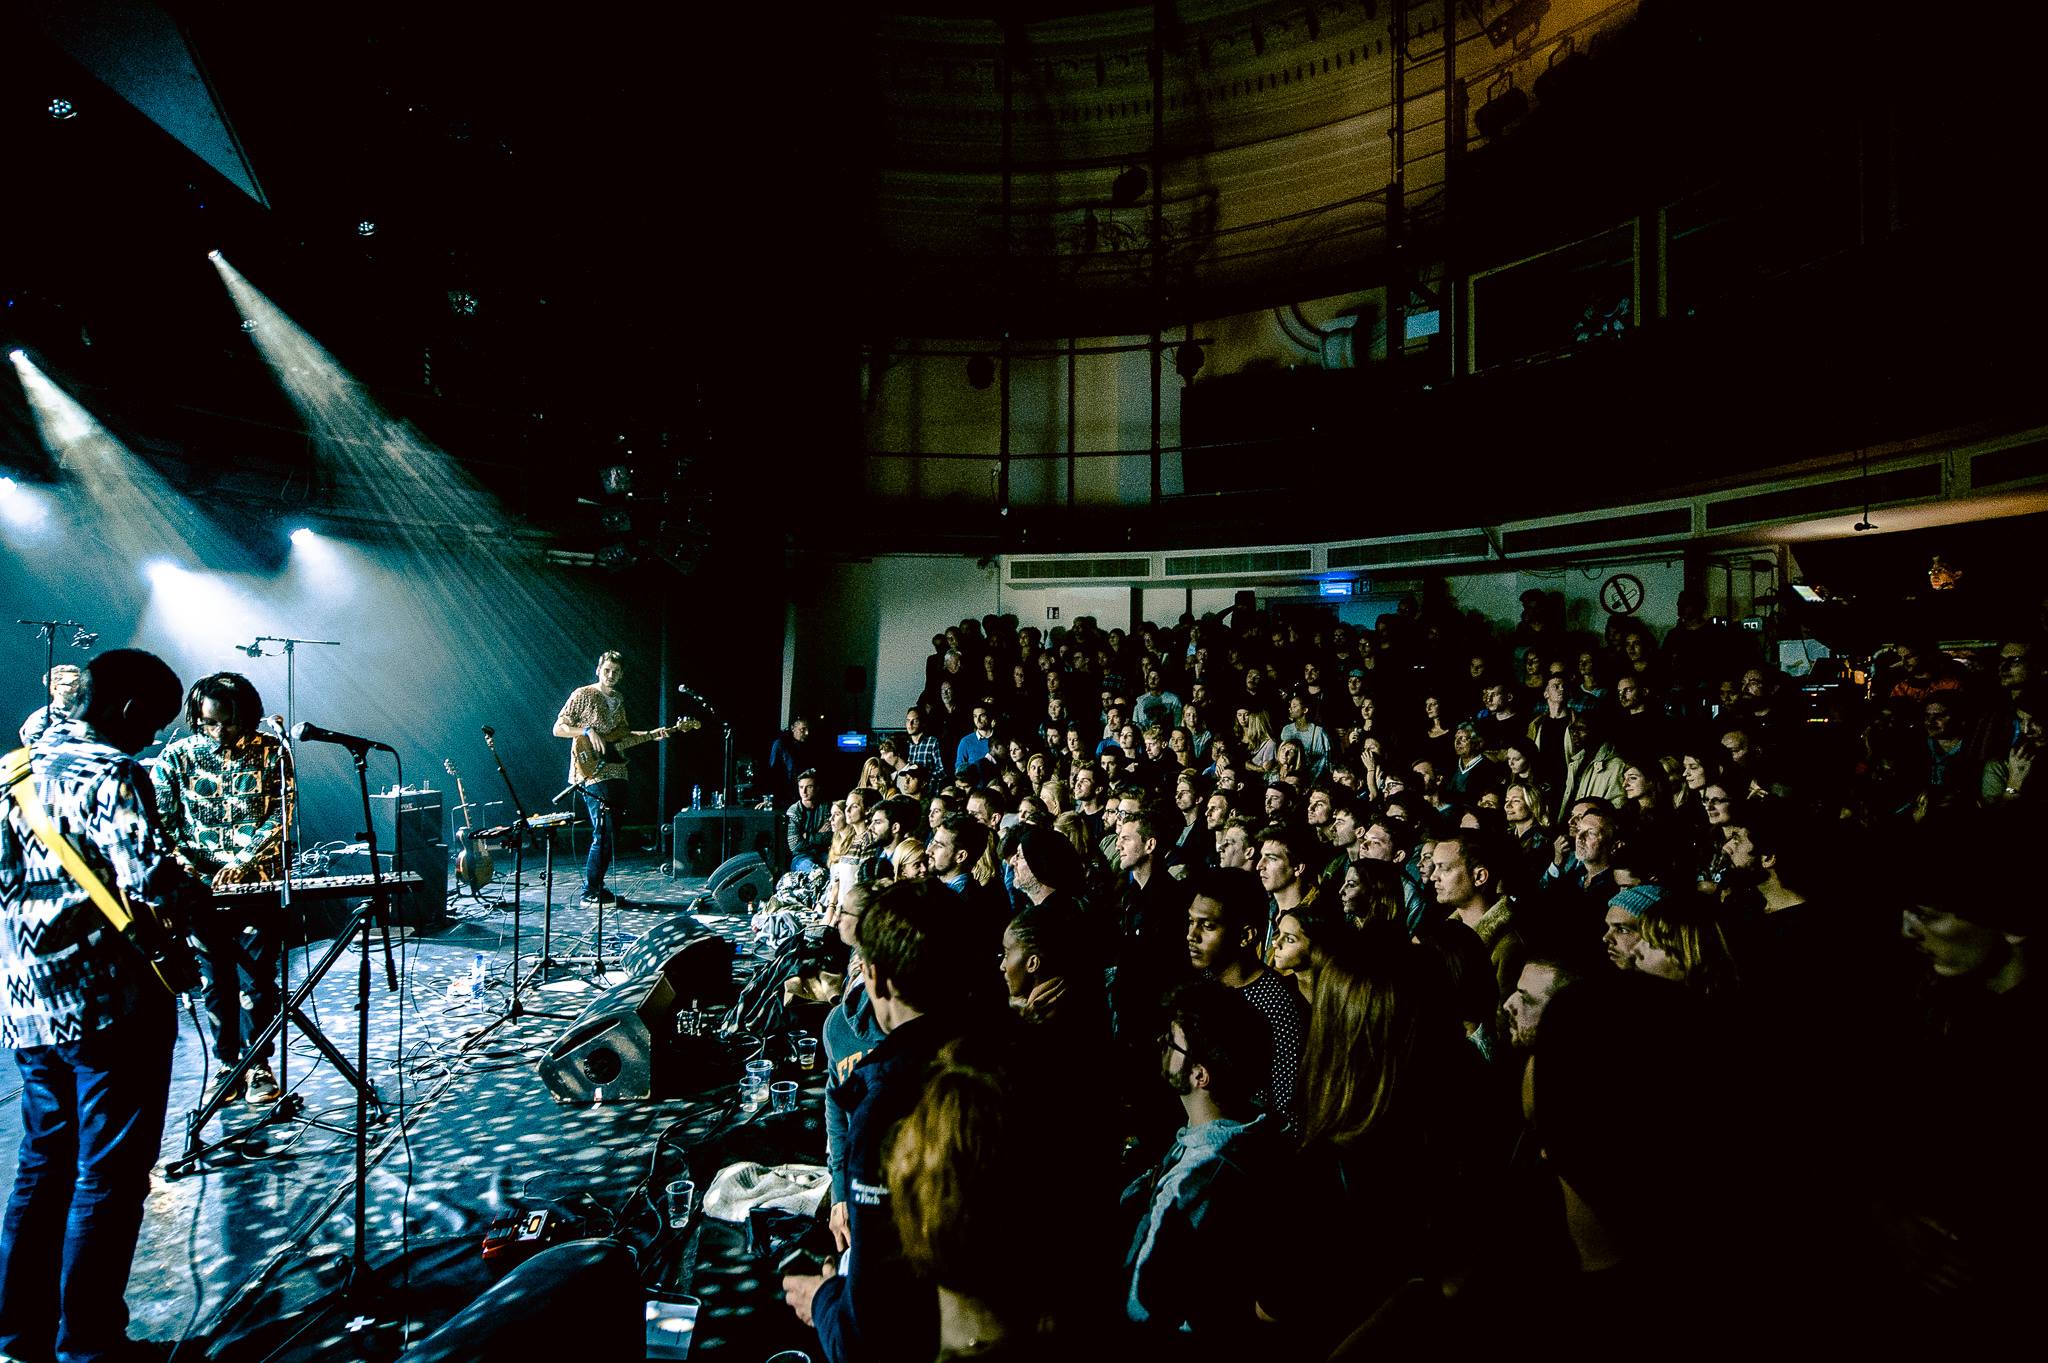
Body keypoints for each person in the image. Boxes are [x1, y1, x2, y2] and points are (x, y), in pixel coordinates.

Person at [0, 648, 203, 1363]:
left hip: (26, 1006)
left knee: (42, 1164)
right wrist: (193, 895)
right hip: (108, 1005)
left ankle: (20, 1336)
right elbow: (150, 880)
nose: (153, 738)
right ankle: (90, 1343)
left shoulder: (12, 768)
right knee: (109, 1178)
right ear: (124, 711)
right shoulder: (112, 771)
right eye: (153, 723)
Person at [788, 882, 985, 1363]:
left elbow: (868, 1335)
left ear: (874, 977)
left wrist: (823, 1300)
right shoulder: (1012, 1052)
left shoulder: (889, 1101)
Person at [153, 671, 288, 1105]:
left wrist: (242, 860)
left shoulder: (273, 752)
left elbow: (283, 814)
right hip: (198, 890)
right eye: (210, 722)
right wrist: (192, 866)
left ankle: (259, 1064)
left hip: (257, 884)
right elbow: (160, 823)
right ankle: (228, 1065)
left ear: (247, 715)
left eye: (228, 722)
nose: (219, 730)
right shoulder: (177, 758)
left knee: (257, 979)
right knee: (214, 981)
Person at [1120, 979, 1282, 1340]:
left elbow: (1139, 1303)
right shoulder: (1252, 1132)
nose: (1161, 1046)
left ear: (1200, 1074)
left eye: (1172, 1043)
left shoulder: (1198, 1178)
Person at [552, 651, 679, 908]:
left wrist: (652, 734)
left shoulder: (619, 700)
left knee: (611, 833)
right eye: (607, 670)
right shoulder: (582, 695)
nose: (611, 676)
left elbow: (621, 737)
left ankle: (597, 887)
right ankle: (589, 892)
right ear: (598, 669)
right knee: (603, 832)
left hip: (617, 771)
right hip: (591, 771)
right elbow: (559, 728)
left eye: (616, 672)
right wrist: (587, 729)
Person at [1185, 867, 1307, 1131]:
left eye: (1207, 926)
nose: (1191, 936)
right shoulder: (1200, 985)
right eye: (1190, 921)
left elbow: (1288, 1111)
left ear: (1246, 936)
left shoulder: (1278, 1005)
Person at [16, 664, 85, 748]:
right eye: (73, 684)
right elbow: (33, 749)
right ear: (54, 687)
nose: (79, 688)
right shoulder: (41, 718)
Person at [785, 769, 832, 873]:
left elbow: (831, 837)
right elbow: (795, 845)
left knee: (837, 868)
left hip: (824, 854)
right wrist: (819, 835)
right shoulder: (794, 811)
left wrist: (808, 836)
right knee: (815, 872)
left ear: (817, 788)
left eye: (809, 787)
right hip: (801, 857)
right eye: (801, 787)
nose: (804, 792)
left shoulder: (826, 808)